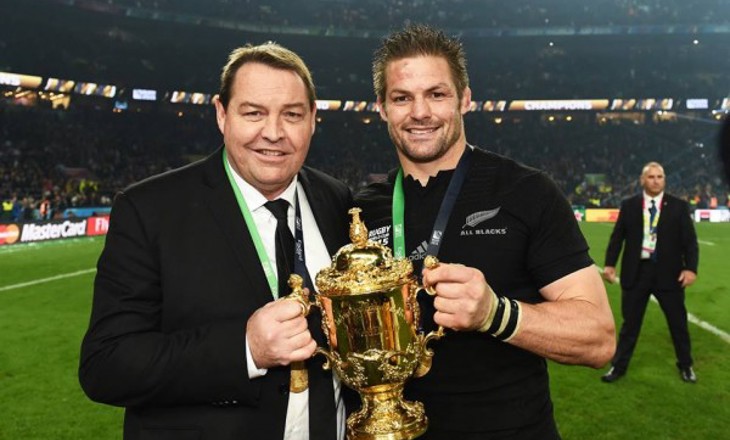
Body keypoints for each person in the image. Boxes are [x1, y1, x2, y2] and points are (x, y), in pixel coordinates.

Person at [79, 42, 352, 439]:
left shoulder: (336, 200)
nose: (273, 133)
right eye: (253, 113)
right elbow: (106, 365)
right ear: (222, 114)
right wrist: (245, 350)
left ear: (312, 119)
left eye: (291, 115)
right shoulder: (149, 210)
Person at [354, 24, 615, 439]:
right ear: (382, 108)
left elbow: (599, 337)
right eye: (402, 98)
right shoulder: (360, 212)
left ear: (465, 99)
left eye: (436, 94)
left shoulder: (526, 191)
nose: (420, 112)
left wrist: (496, 314)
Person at [601, 162, 699, 383]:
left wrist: (691, 268)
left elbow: (690, 242)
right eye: (651, 177)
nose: (656, 180)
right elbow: (618, 237)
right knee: (630, 325)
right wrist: (609, 264)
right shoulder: (629, 205)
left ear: (664, 180)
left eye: (660, 176)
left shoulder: (678, 206)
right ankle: (618, 367)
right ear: (642, 180)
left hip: (670, 274)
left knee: (678, 324)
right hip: (637, 272)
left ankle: (686, 365)